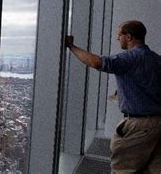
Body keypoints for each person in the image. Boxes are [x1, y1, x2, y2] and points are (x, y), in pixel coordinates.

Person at [66, 20, 161, 173]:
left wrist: (72, 47)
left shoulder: (130, 58)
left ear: (129, 37)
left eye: (119, 36)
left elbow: (97, 63)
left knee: (123, 169)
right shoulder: (156, 59)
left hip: (139, 125)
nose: (118, 39)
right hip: (157, 123)